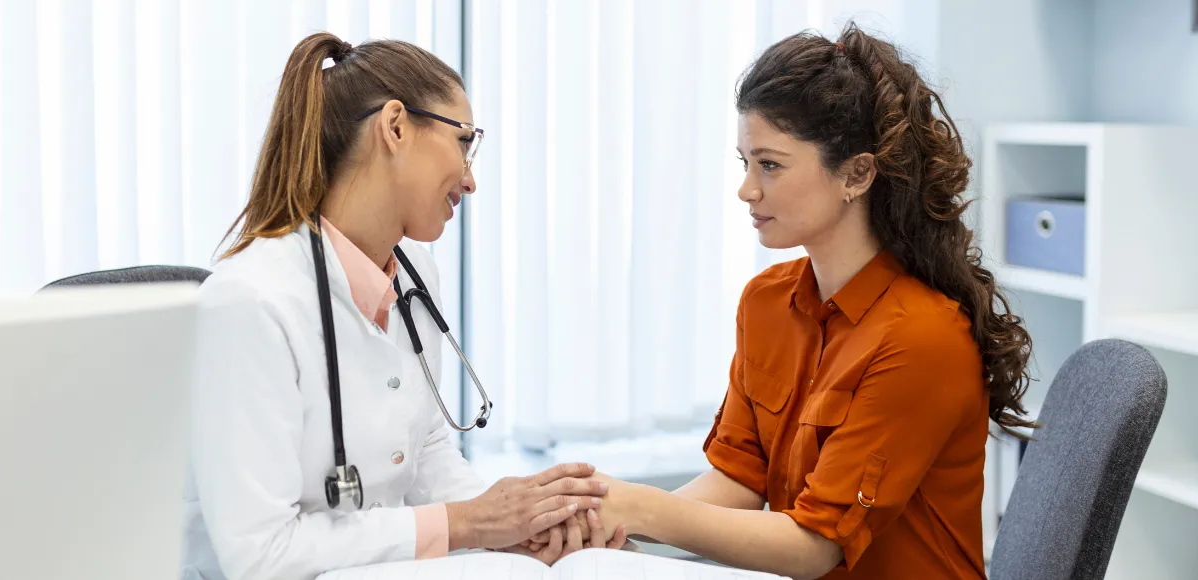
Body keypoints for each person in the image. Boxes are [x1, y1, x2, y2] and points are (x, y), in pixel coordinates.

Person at [532, 23, 1034, 579]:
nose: (747, 189)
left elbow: (815, 545)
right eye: (744, 162)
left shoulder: (922, 338)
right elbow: (741, 482)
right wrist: (608, 519)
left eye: (770, 164)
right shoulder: (766, 302)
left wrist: (642, 507)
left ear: (857, 173)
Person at [181, 32, 624, 580]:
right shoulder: (251, 300)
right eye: (464, 142)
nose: (470, 178)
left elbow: (427, 454)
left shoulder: (414, 270)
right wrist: (471, 525)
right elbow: (261, 554)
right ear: (395, 127)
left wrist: (530, 523)